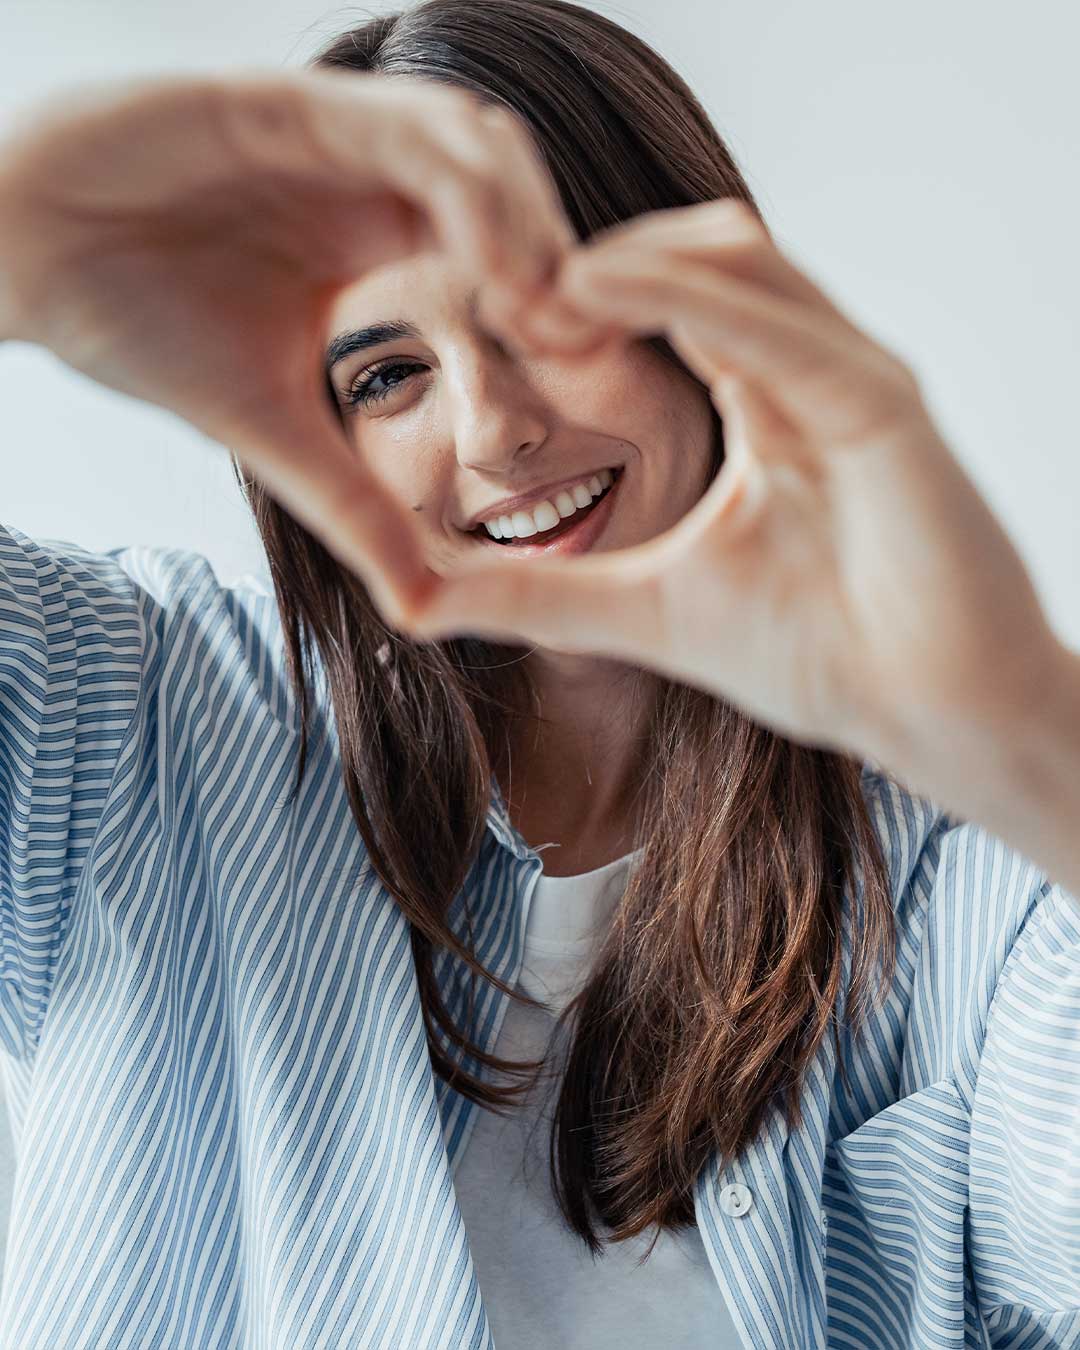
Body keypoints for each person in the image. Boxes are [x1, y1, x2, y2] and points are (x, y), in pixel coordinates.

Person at [0, 1, 1078, 1346]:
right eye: (387, 376)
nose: (495, 431)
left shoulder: (975, 881)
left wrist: (1026, 721)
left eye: (547, 315)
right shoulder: (137, 722)